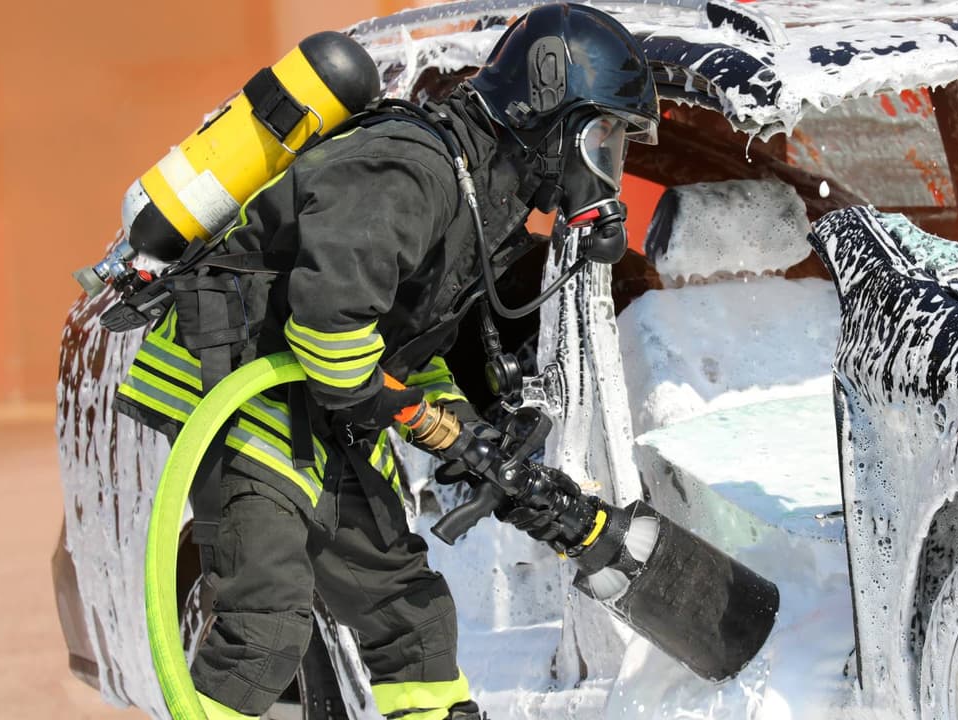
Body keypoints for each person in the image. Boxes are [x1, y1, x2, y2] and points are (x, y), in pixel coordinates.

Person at [113, 4, 659, 719]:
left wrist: (472, 433)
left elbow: (400, 349)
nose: (607, 164)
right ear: (546, 102)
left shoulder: (478, 199)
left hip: (308, 401)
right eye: (603, 134)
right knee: (267, 626)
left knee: (411, 617)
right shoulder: (408, 171)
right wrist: (432, 427)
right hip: (234, 384)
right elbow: (330, 328)